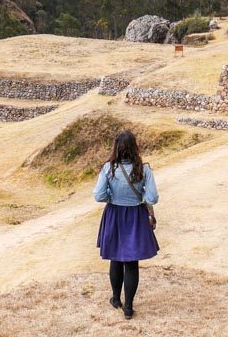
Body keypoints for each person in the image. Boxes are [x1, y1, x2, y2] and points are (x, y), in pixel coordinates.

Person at [94, 130, 159, 320]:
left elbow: (98, 195)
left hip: (114, 213)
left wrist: (112, 197)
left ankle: (116, 298)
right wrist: (140, 199)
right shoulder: (143, 169)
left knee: (116, 257)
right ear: (134, 147)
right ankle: (128, 307)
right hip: (136, 215)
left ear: (116, 147)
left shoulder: (108, 168)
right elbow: (152, 197)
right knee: (131, 261)